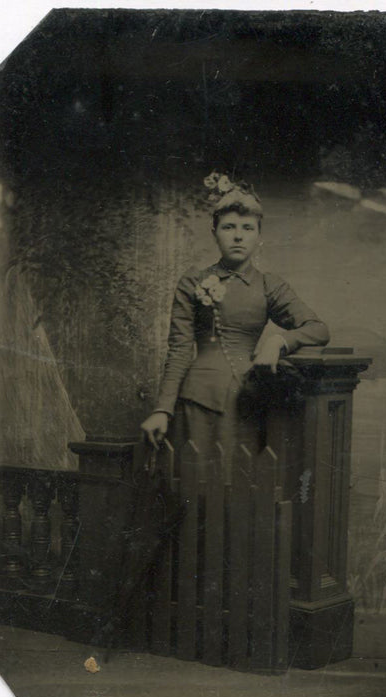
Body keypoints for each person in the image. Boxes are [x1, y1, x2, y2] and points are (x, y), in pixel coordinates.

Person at [141, 173, 329, 480]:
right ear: (215, 232)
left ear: (259, 236)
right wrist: (162, 409)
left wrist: (278, 341)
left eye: (247, 228)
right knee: (196, 494)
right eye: (229, 227)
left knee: (241, 492)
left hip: (248, 402)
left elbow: (318, 329)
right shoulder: (193, 281)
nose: (238, 236)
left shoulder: (270, 285)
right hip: (198, 402)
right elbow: (178, 350)